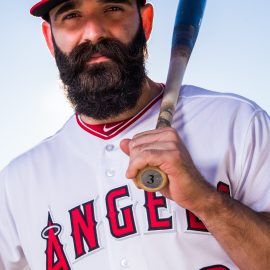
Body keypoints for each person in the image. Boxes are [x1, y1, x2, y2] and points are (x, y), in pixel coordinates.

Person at [0, 0, 269, 269]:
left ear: (146, 21)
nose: (94, 32)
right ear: (50, 39)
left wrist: (206, 201)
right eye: (71, 15)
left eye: (113, 8)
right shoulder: (17, 185)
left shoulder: (236, 123)